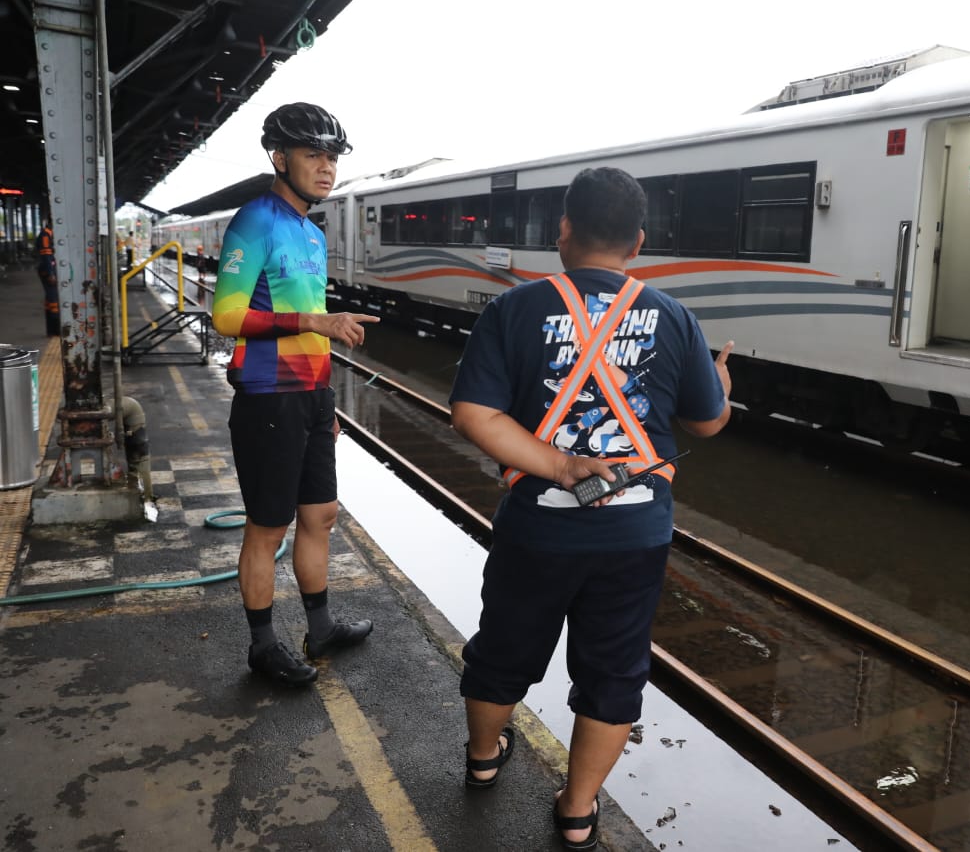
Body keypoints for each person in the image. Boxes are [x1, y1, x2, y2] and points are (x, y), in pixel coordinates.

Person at [449, 166, 733, 850]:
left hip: (537, 526)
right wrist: (720, 386)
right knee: (613, 669)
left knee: (506, 646)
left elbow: (473, 412)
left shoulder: (513, 309)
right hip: (634, 531)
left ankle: (484, 761)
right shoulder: (674, 316)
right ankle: (577, 812)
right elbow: (706, 422)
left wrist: (557, 463)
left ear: (564, 229)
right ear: (638, 241)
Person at [211, 102, 380, 687]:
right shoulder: (255, 219)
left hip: (309, 397)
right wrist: (317, 319)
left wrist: (326, 402)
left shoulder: (311, 231)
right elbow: (227, 316)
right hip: (267, 396)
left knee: (322, 515)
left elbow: (307, 323)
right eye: (314, 155)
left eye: (332, 157)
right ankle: (262, 648)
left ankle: (322, 627)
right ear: (279, 157)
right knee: (268, 525)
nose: (327, 168)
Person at [36, 218, 58, 336]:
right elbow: (46, 255)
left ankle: (51, 331)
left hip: (48, 270)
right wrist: (51, 274)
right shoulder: (45, 235)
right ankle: (55, 330)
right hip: (47, 271)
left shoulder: (49, 234)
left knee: (50, 301)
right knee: (54, 300)